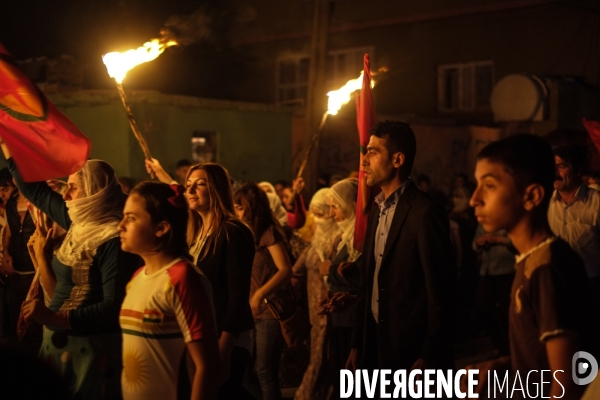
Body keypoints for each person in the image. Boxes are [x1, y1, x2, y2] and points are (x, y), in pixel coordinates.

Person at [2, 140, 141, 399]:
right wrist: (7, 142)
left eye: (74, 188)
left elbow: (114, 308)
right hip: (58, 343)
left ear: (95, 192)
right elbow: (36, 191)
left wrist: (54, 318)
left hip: (91, 352)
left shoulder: (114, 239)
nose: (65, 196)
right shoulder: (79, 223)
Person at [466, 134, 593, 399]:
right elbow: (540, 360)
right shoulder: (530, 260)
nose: (474, 199)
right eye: (477, 184)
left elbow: (567, 385)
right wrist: (502, 365)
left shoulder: (548, 267)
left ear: (532, 196)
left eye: (489, 185)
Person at [346, 121, 455, 379]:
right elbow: (368, 285)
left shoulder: (425, 212)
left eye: (373, 152)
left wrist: (429, 354)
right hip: (375, 345)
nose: (364, 161)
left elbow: (442, 290)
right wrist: (356, 344)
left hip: (412, 352)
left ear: (397, 159)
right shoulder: (376, 211)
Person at [146, 158, 255, 400]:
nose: (191, 190)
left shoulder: (233, 231)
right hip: (201, 337)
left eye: (200, 184)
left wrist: (223, 351)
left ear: (216, 189)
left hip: (226, 339)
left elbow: (237, 295)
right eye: (189, 184)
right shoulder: (195, 234)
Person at [118, 181, 220, 400]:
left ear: (161, 227)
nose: (121, 226)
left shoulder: (181, 278)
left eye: (132, 218)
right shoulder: (137, 278)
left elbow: (206, 366)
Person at [233, 182, 294, 400]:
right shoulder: (244, 232)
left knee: (264, 370)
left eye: (240, 207)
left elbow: (285, 270)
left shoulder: (268, 232)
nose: (236, 212)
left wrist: (260, 294)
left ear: (252, 207)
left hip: (270, 310)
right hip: (251, 311)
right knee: (247, 370)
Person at [293, 188, 341, 400]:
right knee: (318, 353)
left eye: (322, 213)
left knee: (322, 357)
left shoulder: (339, 238)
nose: (317, 219)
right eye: (315, 214)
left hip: (328, 305)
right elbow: (298, 267)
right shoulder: (317, 240)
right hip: (313, 310)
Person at [547, 145, 600, 286]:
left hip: (590, 285)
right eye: (553, 166)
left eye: (561, 167)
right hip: (555, 282)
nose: (555, 172)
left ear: (578, 170)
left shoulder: (596, 203)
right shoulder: (545, 204)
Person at [472, 224, 515, 356]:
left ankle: (507, 347)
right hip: (487, 271)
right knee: (481, 309)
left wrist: (497, 240)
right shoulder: (483, 222)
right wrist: (478, 243)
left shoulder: (508, 217)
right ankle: (499, 342)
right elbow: (474, 245)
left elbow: (518, 242)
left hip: (506, 271)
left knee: (505, 312)